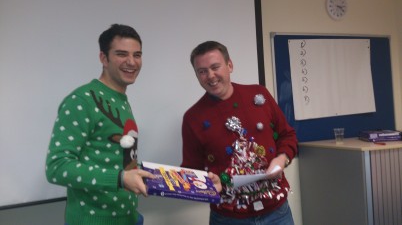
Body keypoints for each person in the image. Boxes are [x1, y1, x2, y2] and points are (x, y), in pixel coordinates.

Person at [45, 24, 155, 225]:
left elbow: (116, 159)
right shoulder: (81, 100)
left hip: (129, 217)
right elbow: (57, 167)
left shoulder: (120, 100)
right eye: (122, 54)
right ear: (103, 58)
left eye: (137, 55)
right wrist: (120, 178)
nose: (131, 62)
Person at [181, 41, 298, 225]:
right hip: (228, 218)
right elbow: (191, 170)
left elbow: (288, 135)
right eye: (202, 71)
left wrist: (282, 159)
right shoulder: (192, 118)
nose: (210, 76)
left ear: (230, 65)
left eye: (215, 67)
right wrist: (207, 185)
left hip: (277, 212)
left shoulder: (260, 94)